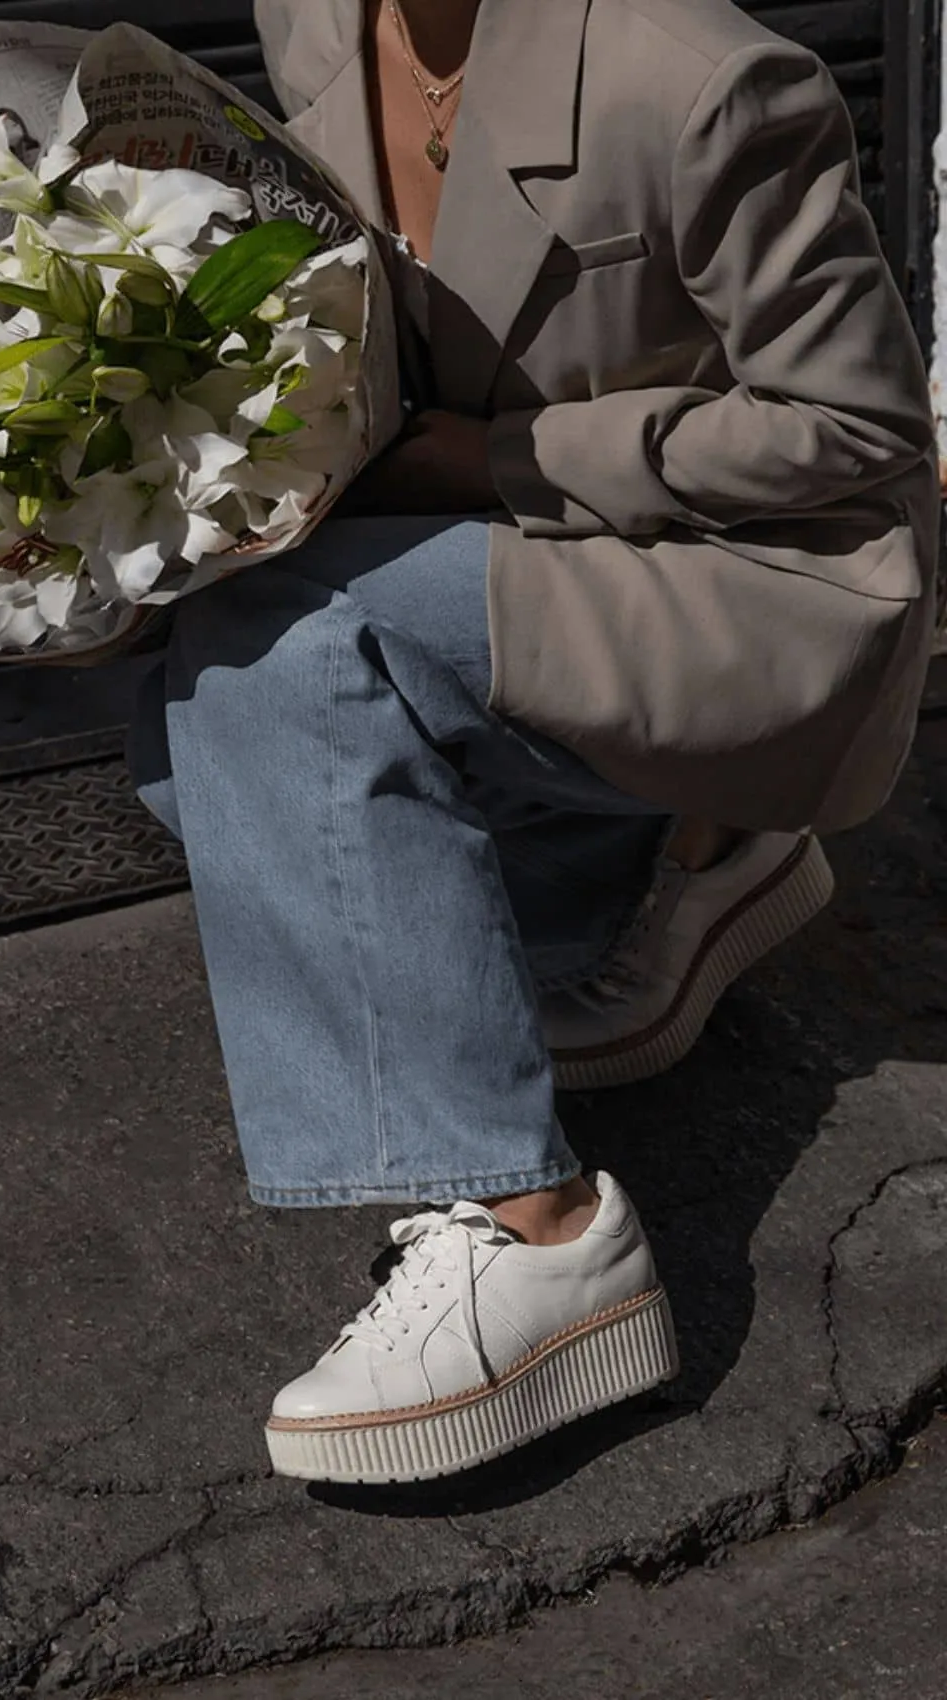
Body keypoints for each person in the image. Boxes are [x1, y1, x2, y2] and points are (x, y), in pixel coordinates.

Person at [129, 0, 937, 1484]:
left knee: (285, 664)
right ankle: (667, 865)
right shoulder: (311, 19)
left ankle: (538, 1235)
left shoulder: (704, 81)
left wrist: (514, 457)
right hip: (518, 550)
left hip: (753, 586)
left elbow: (861, 427)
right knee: (186, 685)